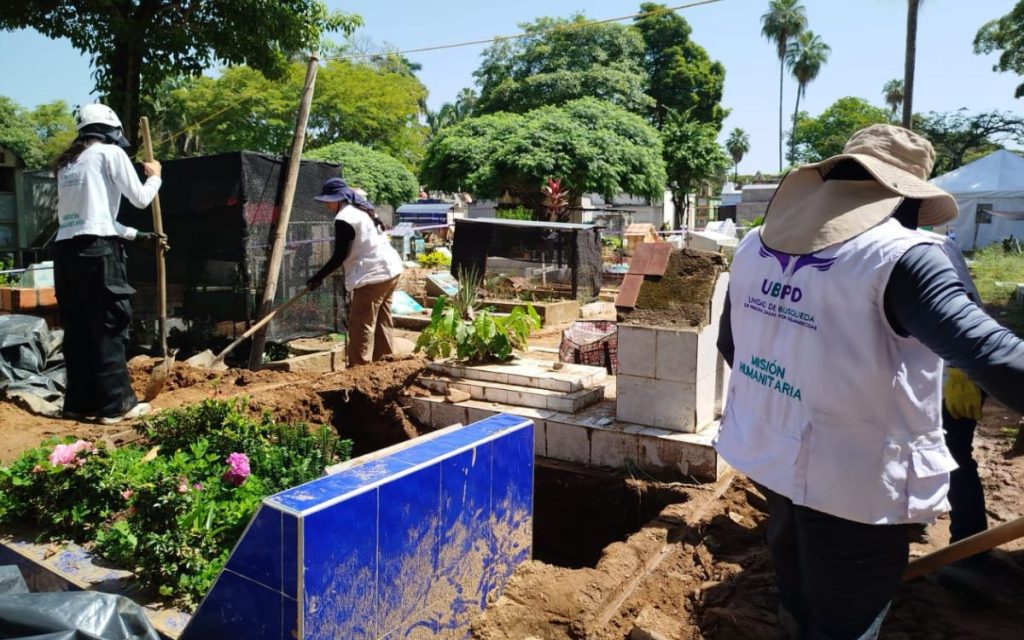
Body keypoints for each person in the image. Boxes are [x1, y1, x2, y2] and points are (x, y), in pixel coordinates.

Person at [715, 124, 1024, 639]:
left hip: (772, 454)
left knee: (796, 577)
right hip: (855, 485)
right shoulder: (904, 258)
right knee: (846, 618)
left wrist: (794, 396)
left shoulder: (754, 244)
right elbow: (997, 359)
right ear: (905, 197)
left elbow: (733, 346)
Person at [54, 103, 167, 424]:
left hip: (66, 252)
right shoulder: (109, 153)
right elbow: (141, 199)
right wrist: (156, 177)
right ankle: (117, 405)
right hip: (99, 251)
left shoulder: (68, 162)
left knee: (77, 328)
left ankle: (79, 404)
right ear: (110, 130)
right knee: (109, 324)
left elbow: (94, 217)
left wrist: (136, 235)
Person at [307, 177, 402, 366]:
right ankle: (386, 364)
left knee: (360, 325)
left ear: (338, 198)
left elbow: (340, 255)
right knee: (383, 320)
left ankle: (358, 371)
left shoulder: (345, 218)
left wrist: (317, 278)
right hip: (391, 270)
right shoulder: (361, 211)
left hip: (373, 276)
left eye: (328, 200)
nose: (326, 205)